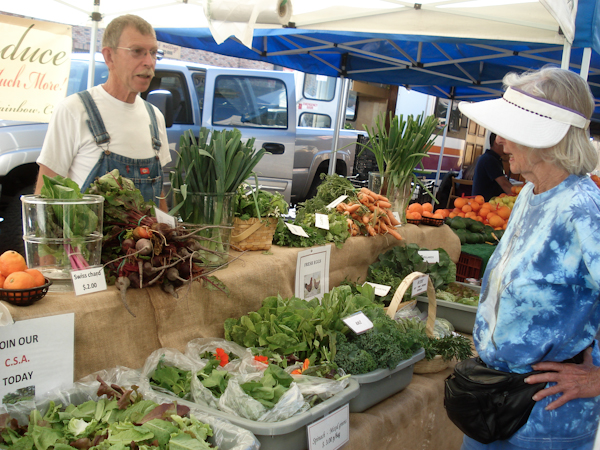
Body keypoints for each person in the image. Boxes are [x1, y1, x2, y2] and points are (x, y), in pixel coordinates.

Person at [457, 66, 600, 450]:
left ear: (550, 140)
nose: (500, 140)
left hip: (546, 419)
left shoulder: (584, 209)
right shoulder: (529, 193)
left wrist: (596, 377)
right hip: (494, 402)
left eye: (512, 129)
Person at [35, 14, 171, 211]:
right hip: (87, 242)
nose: (149, 62)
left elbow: (159, 201)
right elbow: (46, 195)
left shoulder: (155, 117)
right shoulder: (74, 110)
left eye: (153, 52)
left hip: (147, 242)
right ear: (109, 56)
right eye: (137, 52)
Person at [472, 132, 513, 201]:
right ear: (497, 141)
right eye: (505, 143)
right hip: (484, 205)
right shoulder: (489, 159)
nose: (508, 146)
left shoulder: (491, 158)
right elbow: (504, 184)